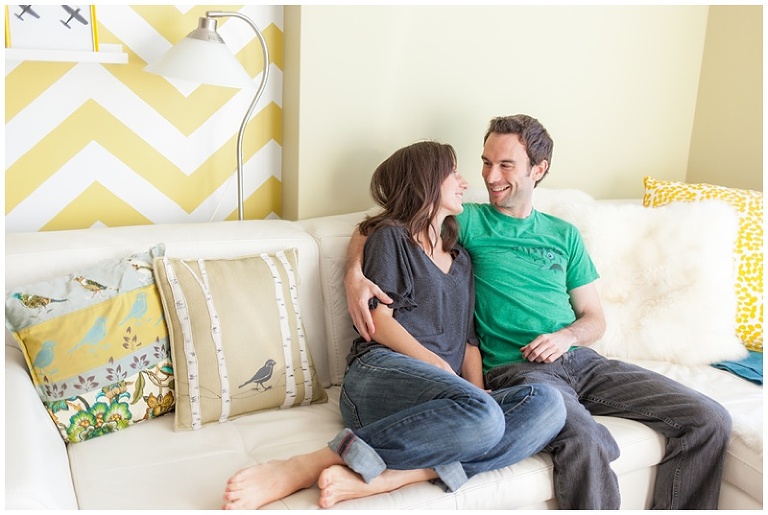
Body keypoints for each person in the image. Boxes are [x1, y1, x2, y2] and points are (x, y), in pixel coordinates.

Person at [345, 115, 733, 510]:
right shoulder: (467, 220)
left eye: (505, 165)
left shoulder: (564, 234)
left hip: (583, 361)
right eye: (485, 162)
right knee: (586, 439)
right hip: (520, 369)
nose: (489, 176)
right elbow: (390, 219)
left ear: (539, 169)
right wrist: (353, 274)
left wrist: (567, 337)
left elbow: (594, 318)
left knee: (710, 419)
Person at [222, 140, 566, 510]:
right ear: (428, 181)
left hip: (443, 400)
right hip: (380, 377)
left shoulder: (461, 259)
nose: (466, 181)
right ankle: (307, 465)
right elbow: (378, 323)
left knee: (549, 405)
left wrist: (480, 399)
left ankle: (404, 474)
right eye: (454, 173)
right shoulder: (391, 238)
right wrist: (440, 370)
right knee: (484, 417)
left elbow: (468, 345)